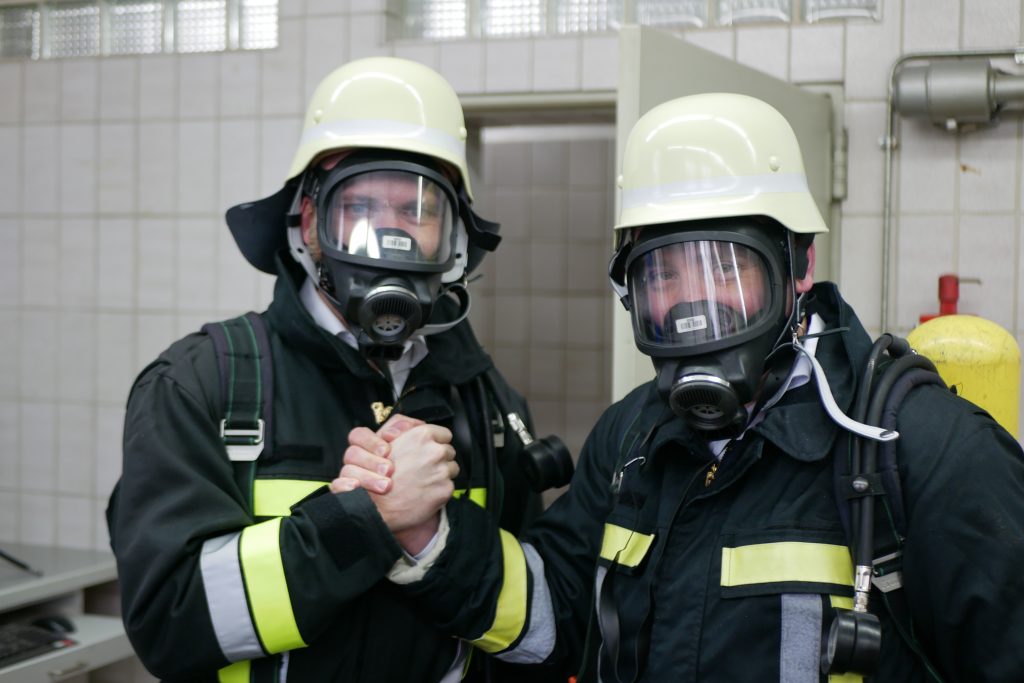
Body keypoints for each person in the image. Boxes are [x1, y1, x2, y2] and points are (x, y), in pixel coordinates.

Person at [338, 93, 1024, 681]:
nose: (694, 307)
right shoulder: (631, 437)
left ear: (799, 267)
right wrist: (433, 537)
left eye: (726, 269)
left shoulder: (922, 451)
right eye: (662, 274)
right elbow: (552, 613)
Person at [106, 57, 560, 682]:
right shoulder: (201, 385)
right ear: (311, 221)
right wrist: (366, 521)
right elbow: (171, 624)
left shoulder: (486, 402)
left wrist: (434, 541)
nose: (390, 238)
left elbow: (536, 633)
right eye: (363, 206)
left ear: (452, 241)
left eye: (418, 211)